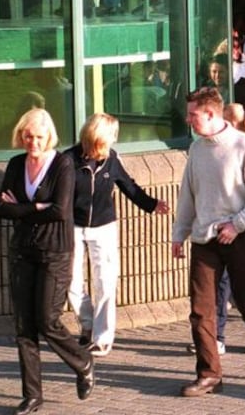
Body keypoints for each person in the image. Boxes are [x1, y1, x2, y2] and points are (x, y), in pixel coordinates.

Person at [172, 87, 245, 397]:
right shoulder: (197, 150)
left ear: (210, 114)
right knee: (201, 308)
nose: (188, 119)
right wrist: (180, 233)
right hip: (206, 238)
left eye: (192, 114)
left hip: (242, 236)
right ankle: (209, 374)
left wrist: (239, 224)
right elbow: (187, 195)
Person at [0, 108, 95, 415]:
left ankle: (83, 362)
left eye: (38, 136)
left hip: (55, 252)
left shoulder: (62, 164)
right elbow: (1, 208)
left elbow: (60, 211)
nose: (32, 142)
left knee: (47, 320)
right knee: (24, 326)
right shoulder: (15, 164)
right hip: (22, 250)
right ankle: (32, 396)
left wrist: (23, 207)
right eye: (27, 135)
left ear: (49, 136)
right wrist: (38, 205)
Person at [67, 113, 169, 357]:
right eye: (112, 135)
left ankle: (102, 338)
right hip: (73, 225)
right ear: (97, 138)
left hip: (103, 226)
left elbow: (128, 185)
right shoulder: (68, 160)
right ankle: (88, 323)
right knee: (70, 280)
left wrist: (151, 204)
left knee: (105, 280)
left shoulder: (111, 159)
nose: (115, 140)